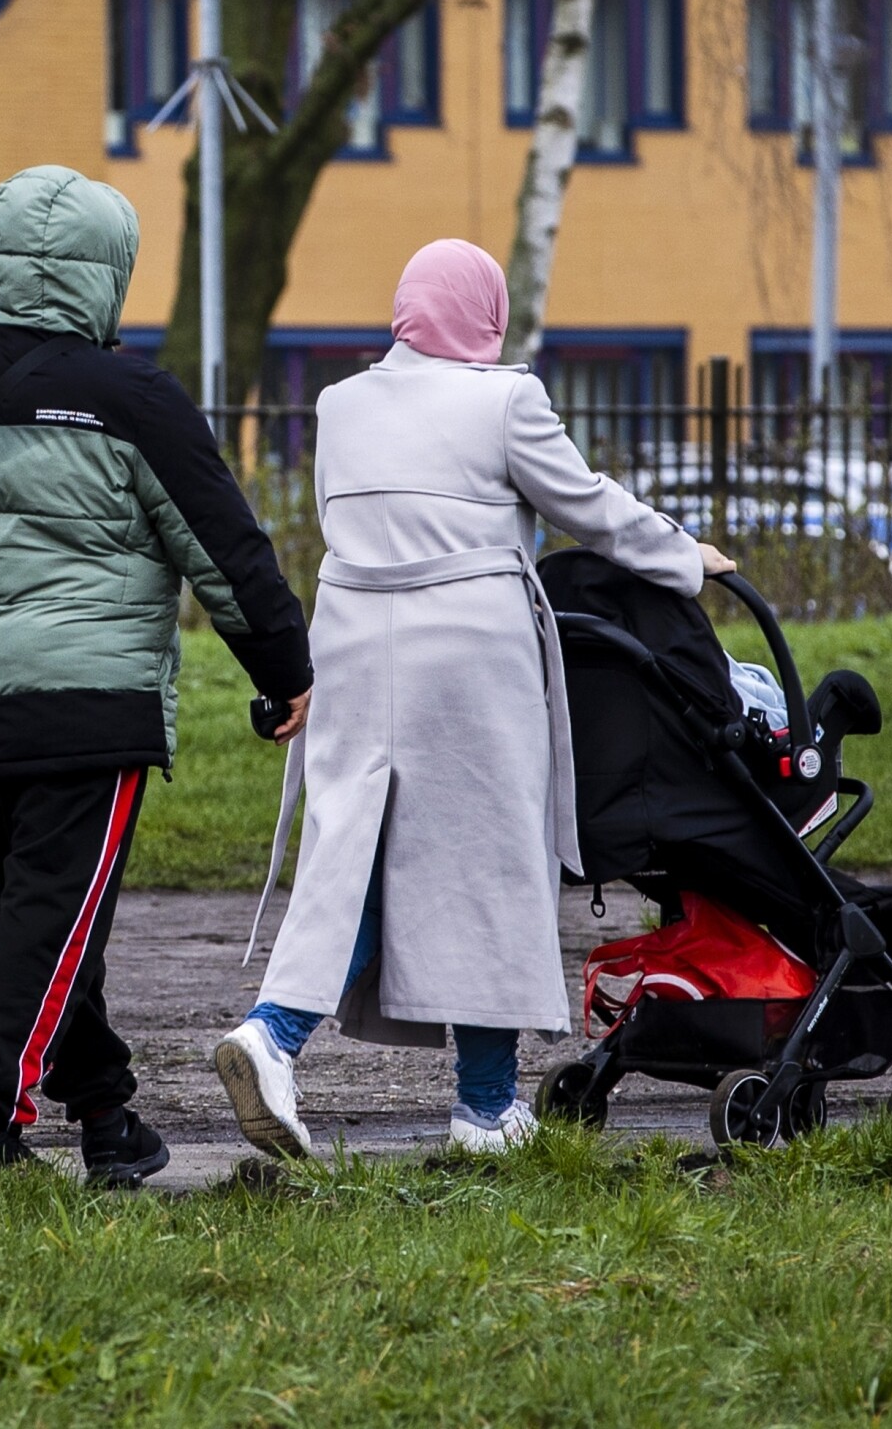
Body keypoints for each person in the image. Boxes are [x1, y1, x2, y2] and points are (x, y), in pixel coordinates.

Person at [0, 165, 313, 1186]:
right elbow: (225, 551)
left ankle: (108, 1118)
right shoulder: (134, 399)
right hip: (93, 705)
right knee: (48, 919)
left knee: (41, 917)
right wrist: (284, 671)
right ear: (105, 274)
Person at [214, 238, 726, 1156]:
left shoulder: (340, 403)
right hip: (468, 657)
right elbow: (587, 505)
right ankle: (483, 1107)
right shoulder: (505, 399)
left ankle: (273, 1034)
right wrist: (686, 556)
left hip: (353, 648)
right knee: (483, 870)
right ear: (481, 313)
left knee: (351, 856)